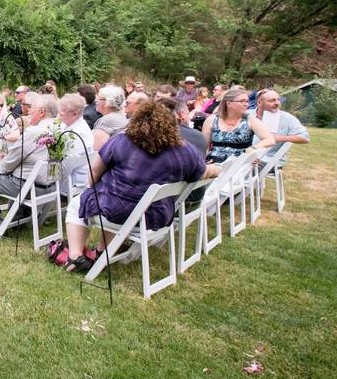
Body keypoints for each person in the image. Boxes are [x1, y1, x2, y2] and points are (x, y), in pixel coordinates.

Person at [62, 100, 221, 273]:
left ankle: (75, 256)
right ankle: (102, 251)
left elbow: (94, 170)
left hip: (115, 210)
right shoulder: (184, 150)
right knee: (108, 201)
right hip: (154, 217)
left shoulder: (121, 141)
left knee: (79, 203)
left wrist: (92, 188)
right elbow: (202, 172)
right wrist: (216, 168)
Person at [0, 93, 53, 234]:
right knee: (18, 172)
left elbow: (11, 160)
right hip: (51, 186)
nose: (29, 111)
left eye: (32, 108)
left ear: (41, 112)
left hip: (30, 188)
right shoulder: (59, 129)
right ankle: (19, 216)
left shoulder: (34, 131)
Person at [202, 88, 275, 164]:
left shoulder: (250, 120)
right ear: (229, 103)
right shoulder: (211, 120)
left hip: (239, 165)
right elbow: (203, 146)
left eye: (247, 101)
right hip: (214, 162)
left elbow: (270, 139)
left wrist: (253, 148)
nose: (247, 104)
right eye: (242, 101)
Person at [253, 89, 310, 162]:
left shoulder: (287, 118)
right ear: (259, 102)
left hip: (267, 159)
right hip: (243, 155)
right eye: (272, 100)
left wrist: (278, 138)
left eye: (278, 100)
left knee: (243, 170)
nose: (277, 103)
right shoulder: (248, 115)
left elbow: (305, 137)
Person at [57, 93, 95, 186]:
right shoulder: (71, 123)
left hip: (72, 183)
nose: (59, 113)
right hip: (68, 177)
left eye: (63, 110)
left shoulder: (77, 134)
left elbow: (66, 168)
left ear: (74, 114)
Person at [91, 85, 127, 153]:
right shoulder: (122, 116)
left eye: (99, 98)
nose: (96, 100)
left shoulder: (105, 121)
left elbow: (96, 153)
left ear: (109, 101)